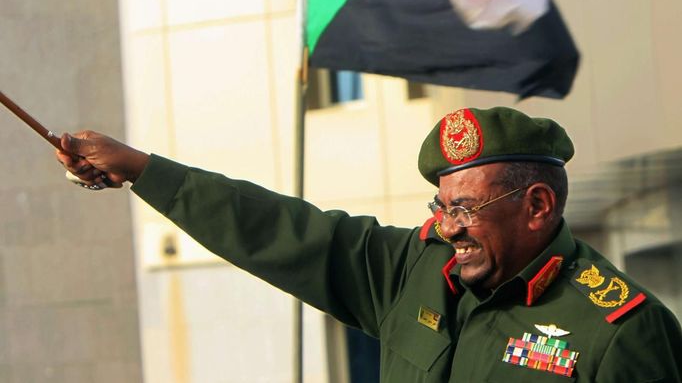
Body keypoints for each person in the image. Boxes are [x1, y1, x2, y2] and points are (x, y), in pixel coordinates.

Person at [56, 106, 682, 382]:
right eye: (439, 207)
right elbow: (278, 230)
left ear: (538, 207)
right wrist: (142, 169)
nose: (446, 227)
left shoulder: (620, 332)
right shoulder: (416, 269)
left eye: (463, 209)